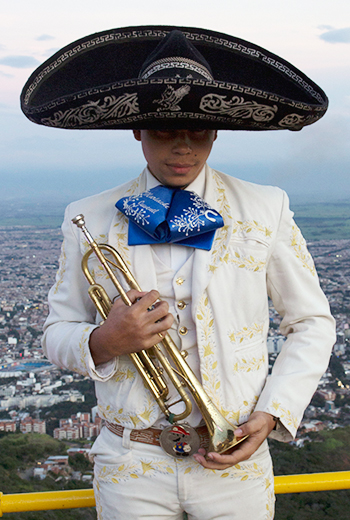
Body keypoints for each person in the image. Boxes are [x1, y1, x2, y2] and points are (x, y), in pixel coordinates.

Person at [21, 26, 336, 519]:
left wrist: (274, 411)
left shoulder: (266, 207)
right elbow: (55, 333)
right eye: (166, 130)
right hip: (131, 462)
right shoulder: (89, 215)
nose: (183, 147)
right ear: (137, 130)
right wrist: (105, 340)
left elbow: (313, 323)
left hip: (234, 458)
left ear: (216, 131)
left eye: (198, 131)